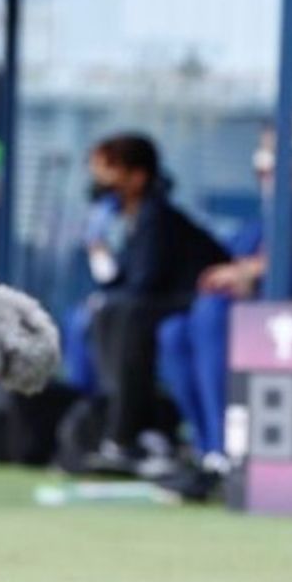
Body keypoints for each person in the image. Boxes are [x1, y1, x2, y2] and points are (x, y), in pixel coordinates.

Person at [155, 126, 292, 498]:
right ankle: (210, 453)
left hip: (282, 326)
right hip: (255, 323)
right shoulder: (264, 221)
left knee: (212, 315)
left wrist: (256, 272)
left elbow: (264, 270)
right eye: (263, 163)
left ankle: (228, 457)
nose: (267, 172)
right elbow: (227, 262)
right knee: (174, 331)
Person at [83, 133, 227, 476]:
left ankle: (130, 434)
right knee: (105, 311)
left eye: (110, 172)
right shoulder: (129, 218)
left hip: (198, 298)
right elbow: (123, 282)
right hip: (167, 302)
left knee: (129, 315)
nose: (102, 183)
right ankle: (113, 422)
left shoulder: (156, 216)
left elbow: (145, 284)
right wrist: (100, 256)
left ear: (137, 177)